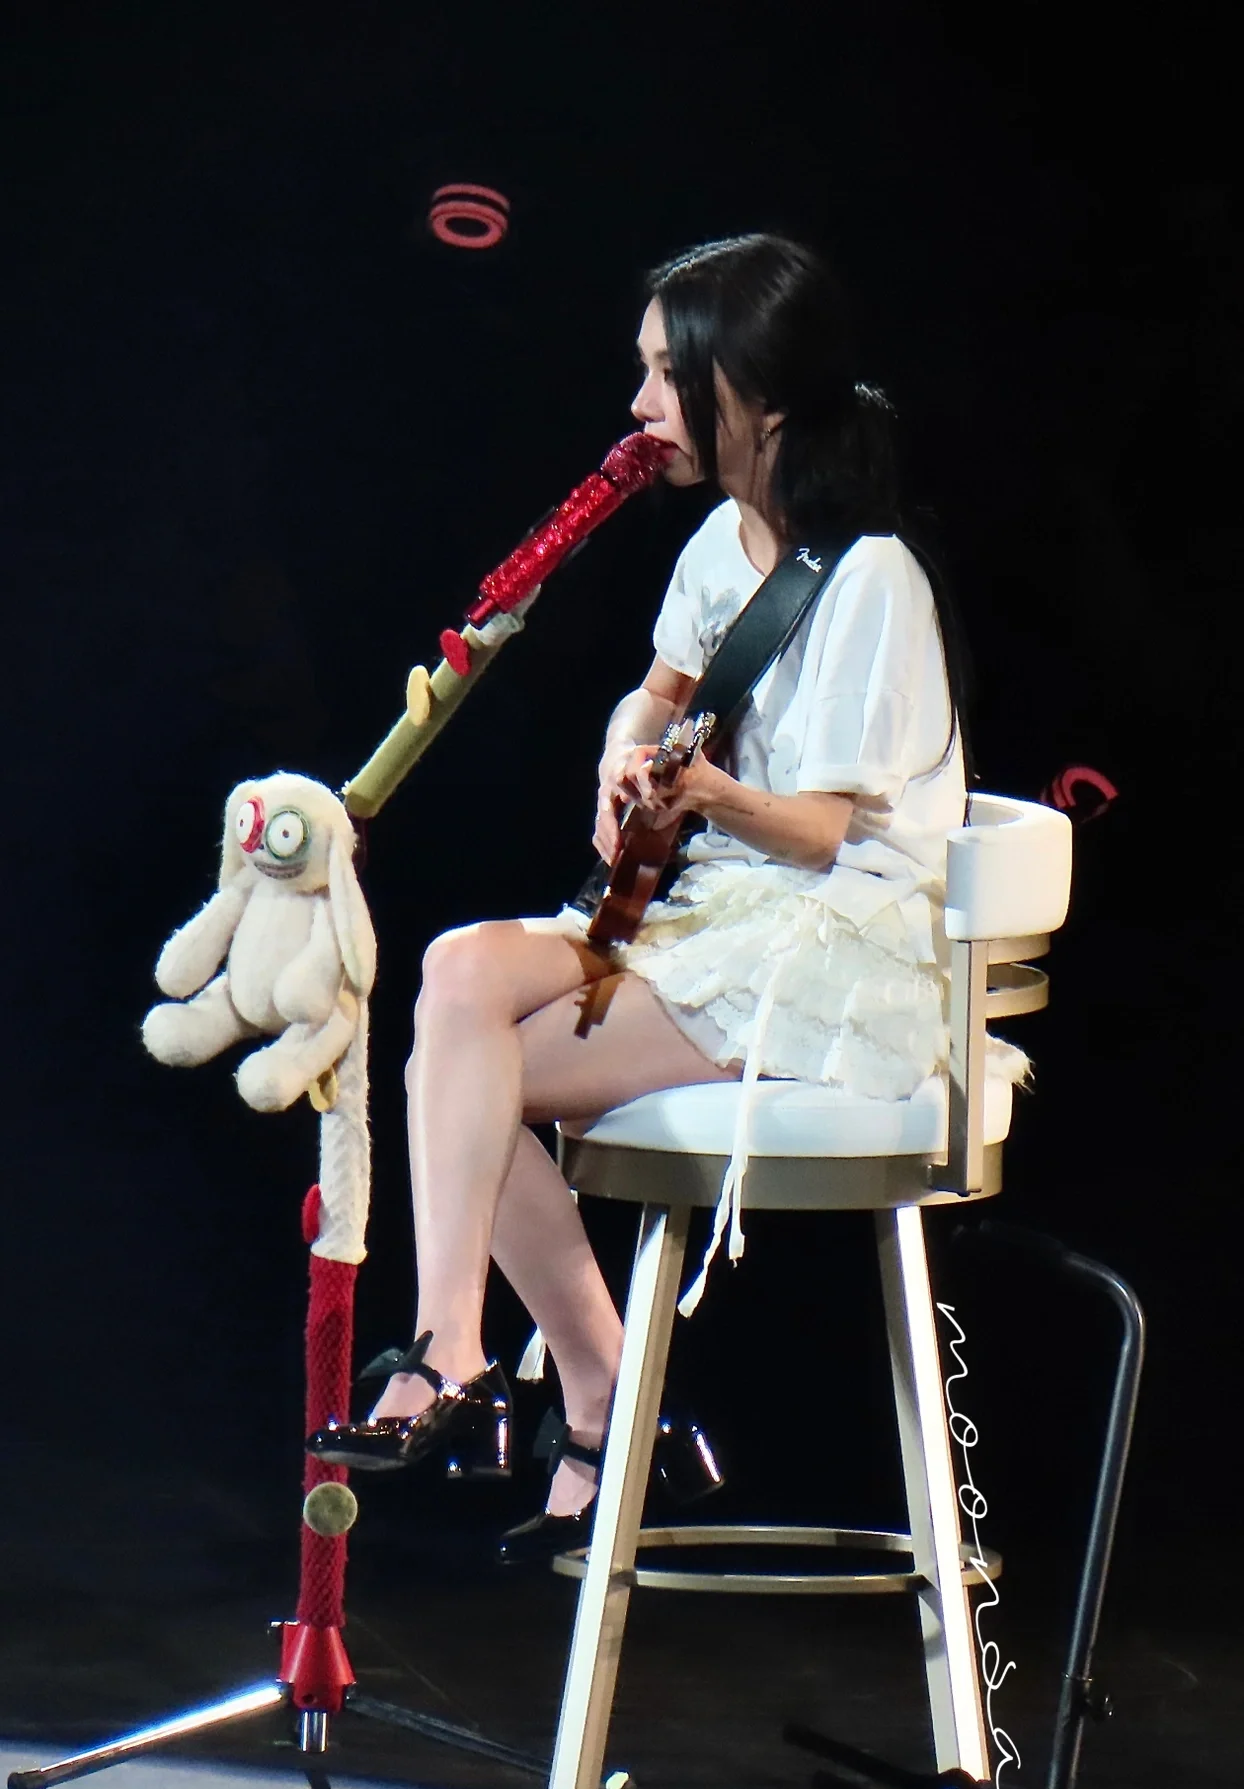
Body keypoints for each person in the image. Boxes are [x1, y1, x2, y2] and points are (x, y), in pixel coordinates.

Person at [309, 233, 1009, 1561]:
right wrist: (622, 760)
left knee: (467, 1080)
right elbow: (657, 694)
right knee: (457, 976)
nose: (638, 407)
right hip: (722, 913)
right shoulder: (714, 548)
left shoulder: (872, 578)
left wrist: (703, 797)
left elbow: (819, 833)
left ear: (759, 396)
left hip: (831, 943)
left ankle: (588, 1396)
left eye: (665, 376)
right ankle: (474, 1356)